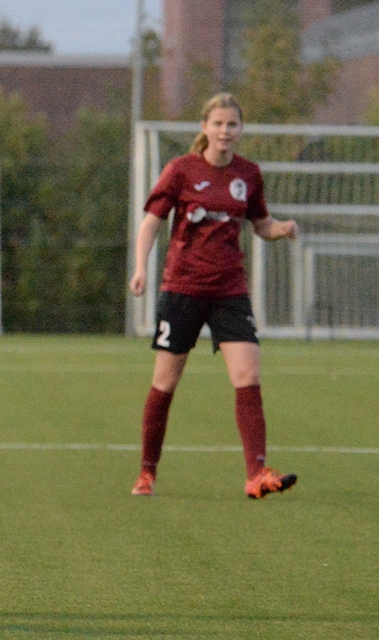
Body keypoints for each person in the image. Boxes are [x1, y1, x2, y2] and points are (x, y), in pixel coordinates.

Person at [128, 92, 298, 500]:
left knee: (248, 376)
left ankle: (256, 474)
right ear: (205, 127)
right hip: (182, 289)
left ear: (241, 130)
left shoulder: (248, 174)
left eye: (232, 124)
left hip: (229, 290)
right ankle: (147, 473)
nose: (225, 131)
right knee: (165, 383)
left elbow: (260, 224)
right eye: (218, 123)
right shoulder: (181, 170)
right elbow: (151, 223)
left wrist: (281, 229)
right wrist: (140, 268)